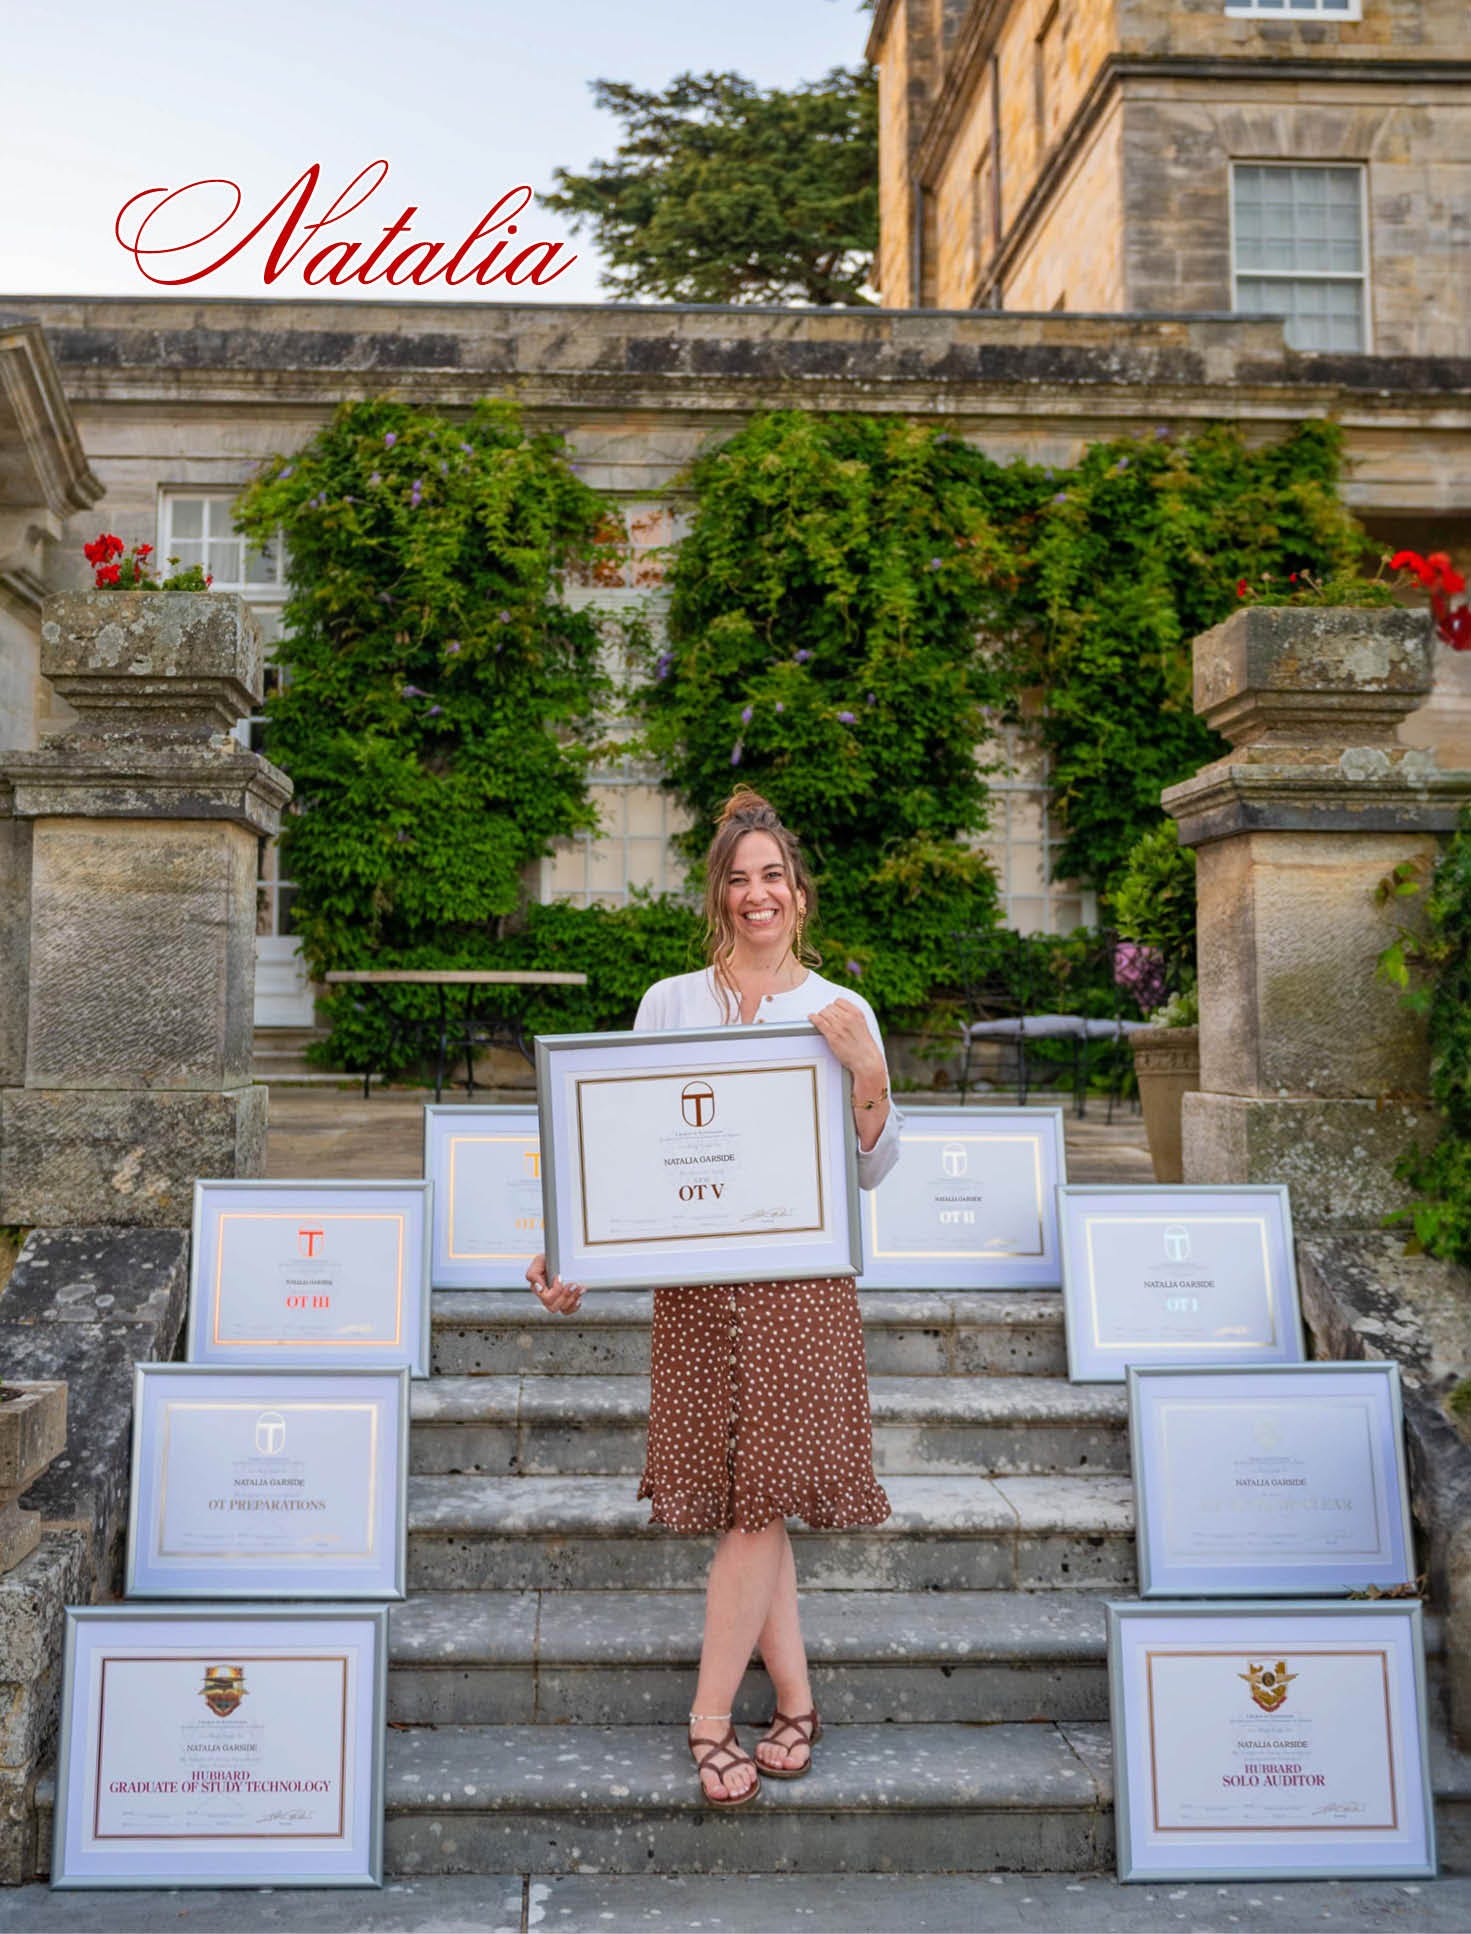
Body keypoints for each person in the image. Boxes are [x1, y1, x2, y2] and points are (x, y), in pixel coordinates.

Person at [526, 787, 900, 1807]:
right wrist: (569, 1248)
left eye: (772, 875)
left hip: (798, 1289)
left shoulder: (841, 1009)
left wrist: (867, 1073)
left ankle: (707, 1717)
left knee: (757, 1505)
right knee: (750, 1502)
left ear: (800, 893)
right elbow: (630, 1153)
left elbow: (871, 1170)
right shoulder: (670, 1002)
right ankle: (798, 1701)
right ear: (717, 895)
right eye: (738, 878)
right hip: (698, 1293)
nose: (756, 893)